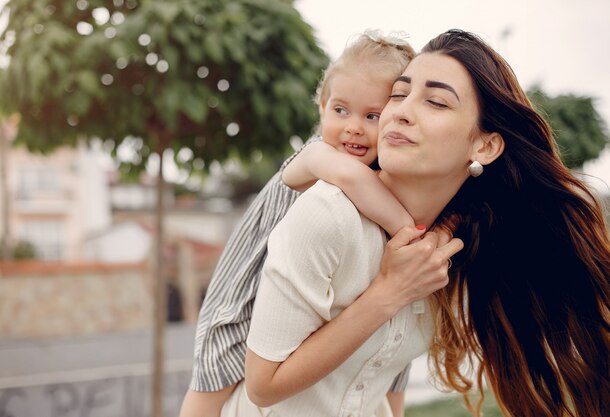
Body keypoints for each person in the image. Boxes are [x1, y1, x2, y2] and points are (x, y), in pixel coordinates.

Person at [228, 29, 610, 417]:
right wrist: (389, 292)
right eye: (398, 94)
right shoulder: (327, 215)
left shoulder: (454, 241)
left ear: (485, 146)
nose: (401, 111)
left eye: (436, 102)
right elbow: (263, 385)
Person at [179, 32, 417, 417]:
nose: (354, 126)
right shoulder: (317, 156)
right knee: (210, 383)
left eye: (371, 116)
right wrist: (413, 235)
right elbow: (355, 181)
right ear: (322, 107)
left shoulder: (382, 175)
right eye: (341, 110)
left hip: (299, 297)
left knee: (393, 346)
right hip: (241, 297)